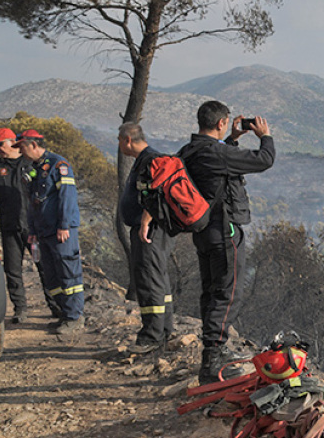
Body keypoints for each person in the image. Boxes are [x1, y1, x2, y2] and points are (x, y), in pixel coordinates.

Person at [180, 100, 274, 383]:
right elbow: (263, 160)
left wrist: (232, 139)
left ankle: (213, 352)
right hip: (225, 231)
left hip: (203, 231)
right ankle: (213, 360)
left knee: (211, 291)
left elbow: (220, 168)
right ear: (221, 123)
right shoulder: (215, 153)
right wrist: (265, 136)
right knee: (228, 293)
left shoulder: (190, 151)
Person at [17, 130, 85, 334]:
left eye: (22, 147)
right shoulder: (34, 169)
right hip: (43, 231)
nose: (20, 152)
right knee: (52, 276)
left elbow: (67, 197)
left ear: (34, 145)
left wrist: (64, 225)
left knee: (69, 274)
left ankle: (74, 318)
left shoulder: (58, 165)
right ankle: (64, 314)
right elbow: (33, 203)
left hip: (60, 231)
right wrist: (32, 230)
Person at [117, 122, 175, 354]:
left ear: (127, 140)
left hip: (150, 229)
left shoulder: (150, 160)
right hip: (152, 228)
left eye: (119, 140)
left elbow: (156, 191)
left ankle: (152, 336)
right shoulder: (146, 159)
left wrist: (145, 221)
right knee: (158, 278)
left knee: (149, 279)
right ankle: (164, 331)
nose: (119, 145)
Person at [0, 128, 48, 324]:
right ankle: (20, 309)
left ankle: (57, 307)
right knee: (12, 270)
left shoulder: (31, 163)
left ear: (12, 142)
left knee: (44, 266)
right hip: (10, 227)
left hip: (34, 228)